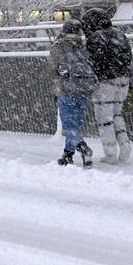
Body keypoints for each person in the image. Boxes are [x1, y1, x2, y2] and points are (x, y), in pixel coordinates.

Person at [81, 6, 133, 164]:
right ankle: (124, 144)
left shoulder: (95, 38)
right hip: (123, 81)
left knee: (104, 119)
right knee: (117, 115)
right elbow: (128, 57)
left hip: (104, 83)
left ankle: (110, 153)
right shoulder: (120, 35)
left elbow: (91, 61)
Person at [48, 19, 97, 167]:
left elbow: (52, 69)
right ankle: (67, 155)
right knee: (75, 125)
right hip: (84, 89)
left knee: (69, 126)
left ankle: (83, 148)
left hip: (67, 89)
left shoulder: (59, 46)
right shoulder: (83, 45)